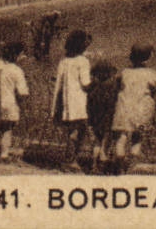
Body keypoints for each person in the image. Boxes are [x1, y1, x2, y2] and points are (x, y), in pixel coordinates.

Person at [109, 43, 156, 172]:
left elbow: (116, 84)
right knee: (137, 138)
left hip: (123, 111)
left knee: (121, 138)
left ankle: (119, 165)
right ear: (148, 58)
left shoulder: (125, 72)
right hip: (141, 113)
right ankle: (132, 165)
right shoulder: (150, 74)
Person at [51, 29, 95, 169]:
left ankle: (69, 160)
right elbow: (86, 83)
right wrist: (97, 81)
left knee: (71, 131)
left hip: (64, 102)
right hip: (78, 103)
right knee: (78, 133)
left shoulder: (64, 61)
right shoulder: (83, 61)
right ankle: (71, 161)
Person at [0, 40, 30, 163]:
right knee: (7, 129)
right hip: (10, 103)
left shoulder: (0, 68)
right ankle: (4, 155)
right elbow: (22, 92)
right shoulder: (17, 71)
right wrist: (24, 103)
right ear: (17, 56)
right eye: (22, 55)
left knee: (0, 127)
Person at [85, 60, 121, 172]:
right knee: (106, 142)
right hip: (108, 119)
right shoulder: (112, 87)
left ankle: (94, 164)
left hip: (94, 118)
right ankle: (102, 163)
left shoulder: (93, 87)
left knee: (96, 142)